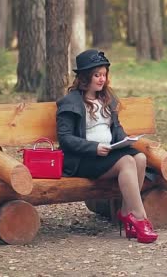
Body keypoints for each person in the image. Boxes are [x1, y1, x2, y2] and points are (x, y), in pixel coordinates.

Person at [56, 49, 158, 244]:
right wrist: (93, 148)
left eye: (104, 75)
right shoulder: (70, 102)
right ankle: (139, 217)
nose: (102, 79)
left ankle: (126, 211)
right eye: (97, 75)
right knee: (128, 161)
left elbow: (116, 129)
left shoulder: (106, 99)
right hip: (83, 159)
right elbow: (66, 139)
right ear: (85, 77)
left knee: (140, 157)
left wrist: (125, 141)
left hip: (108, 153)